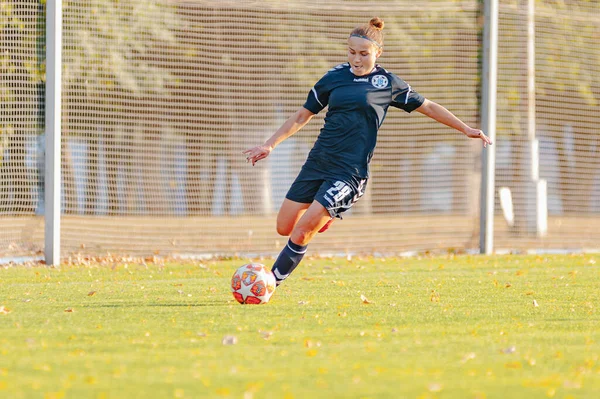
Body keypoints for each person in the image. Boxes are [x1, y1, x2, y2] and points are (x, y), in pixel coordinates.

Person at [243, 17, 492, 288]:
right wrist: (270, 144)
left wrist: (465, 128)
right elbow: (303, 115)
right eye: (351, 52)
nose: (356, 59)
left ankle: (268, 285)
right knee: (284, 227)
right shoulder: (333, 78)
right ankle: (324, 217)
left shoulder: (387, 84)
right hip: (318, 162)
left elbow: (429, 106)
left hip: (349, 172)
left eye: (364, 54)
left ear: (378, 53)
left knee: (302, 232)